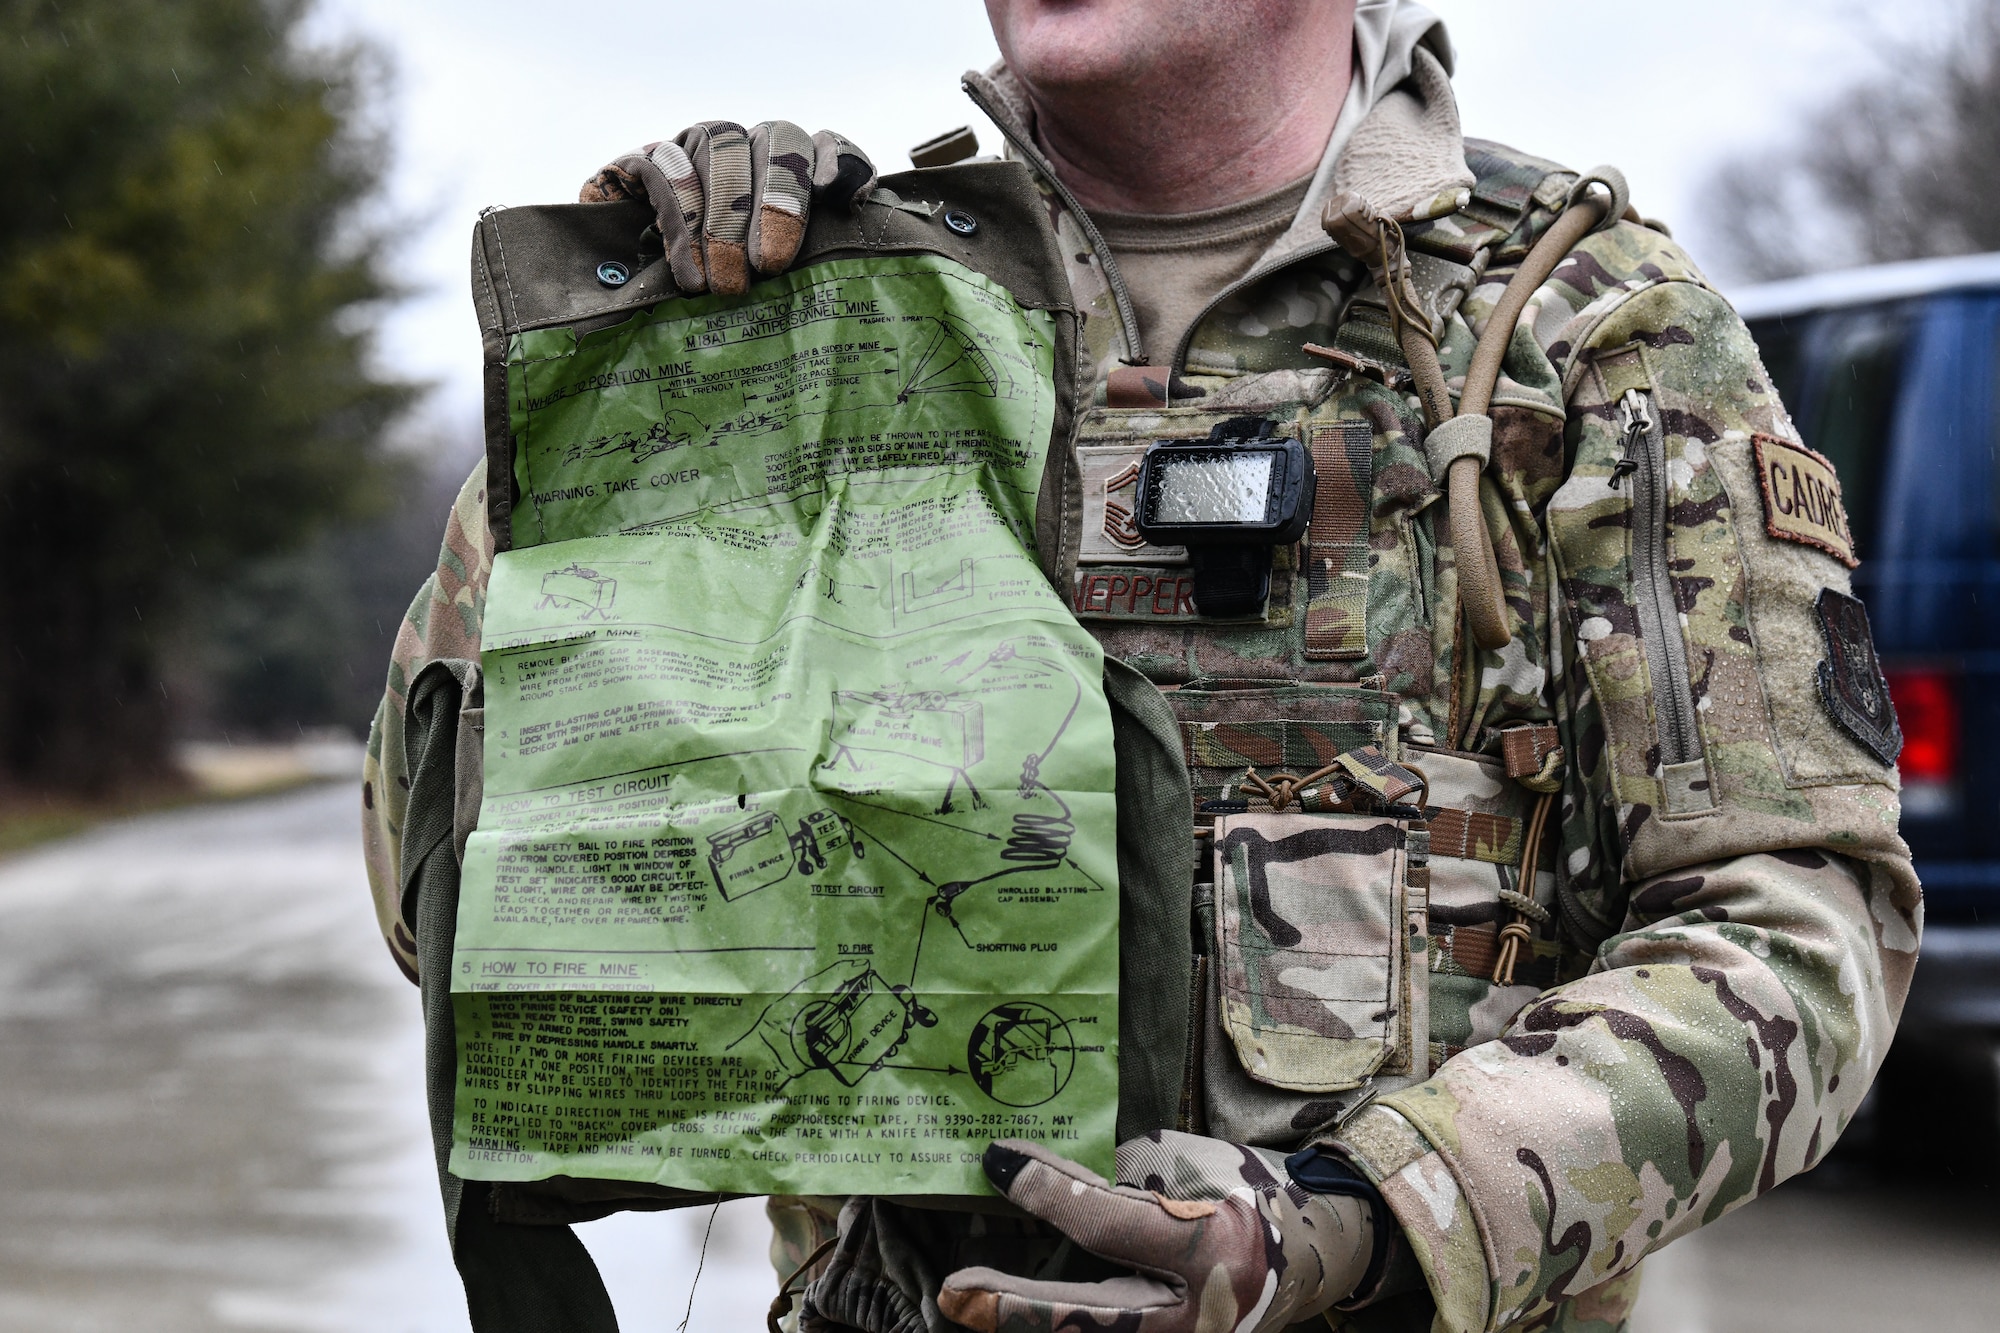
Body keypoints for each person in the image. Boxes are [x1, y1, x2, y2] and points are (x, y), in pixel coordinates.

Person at [363, 2, 1921, 1329]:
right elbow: (437, 907)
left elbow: (1797, 941)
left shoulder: (1585, 334)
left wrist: (1360, 1211)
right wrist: (637, 395)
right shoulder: (850, 316)